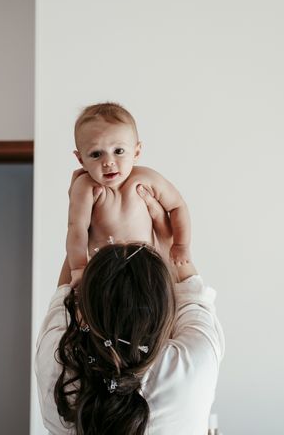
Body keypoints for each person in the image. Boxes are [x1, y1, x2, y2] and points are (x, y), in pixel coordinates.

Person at [35, 183, 224, 434]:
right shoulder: (194, 360)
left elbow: (67, 293)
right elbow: (193, 295)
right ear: (165, 307)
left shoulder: (59, 362)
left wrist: (82, 222)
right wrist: (171, 243)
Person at [66, 102, 191, 286]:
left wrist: (181, 244)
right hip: (104, 272)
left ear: (136, 151)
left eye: (118, 151)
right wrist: (78, 268)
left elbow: (177, 206)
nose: (108, 162)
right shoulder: (85, 187)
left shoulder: (146, 178)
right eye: (96, 154)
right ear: (80, 159)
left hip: (148, 267)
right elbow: (76, 228)